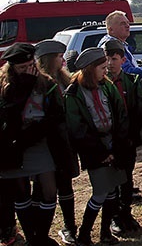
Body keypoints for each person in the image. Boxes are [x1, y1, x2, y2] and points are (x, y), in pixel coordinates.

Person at [0, 42, 68, 245]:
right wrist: (20, 89)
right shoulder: (4, 86)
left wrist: (39, 130)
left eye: (31, 66)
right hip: (13, 146)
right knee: (21, 193)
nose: (28, 71)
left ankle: (41, 235)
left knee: (49, 190)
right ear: (12, 68)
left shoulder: (46, 83)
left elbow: (57, 115)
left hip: (40, 142)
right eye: (22, 68)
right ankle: (32, 237)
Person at [65, 47, 129, 246]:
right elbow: (77, 128)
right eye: (102, 67)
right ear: (90, 69)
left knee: (112, 191)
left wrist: (117, 146)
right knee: (101, 191)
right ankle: (85, 234)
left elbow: (120, 113)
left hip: (113, 144)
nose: (106, 70)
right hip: (94, 149)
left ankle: (105, 233)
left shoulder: (106, 86)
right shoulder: (74, 93)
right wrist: (101, 153)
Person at [34, 39, 80, 245]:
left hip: (65, 142)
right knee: (41, 189)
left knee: (66, 186)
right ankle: (37, 230)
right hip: (44, 144)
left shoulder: (65, 81)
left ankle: (70, 227)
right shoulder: (38, 84)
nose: (62, 61)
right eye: (58, 57)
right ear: (47, 60)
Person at [102, 40, 142, 235]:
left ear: (123, 60)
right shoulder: (99, 83)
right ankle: (114, 216)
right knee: (111, 180)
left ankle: (126, 212)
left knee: (127, 177)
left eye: (114, 59)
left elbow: (139, 111)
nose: (110, 63)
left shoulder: (132, 81)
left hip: (127, 139)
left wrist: (133, 136)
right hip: (108, 140)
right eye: (107, 59)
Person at [97, 11, 142, 77]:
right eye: (122, 24)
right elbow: (127, 72)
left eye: (128, 23)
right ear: (111, 30)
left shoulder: (119, 43)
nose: (127, 26)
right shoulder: (111, 46)